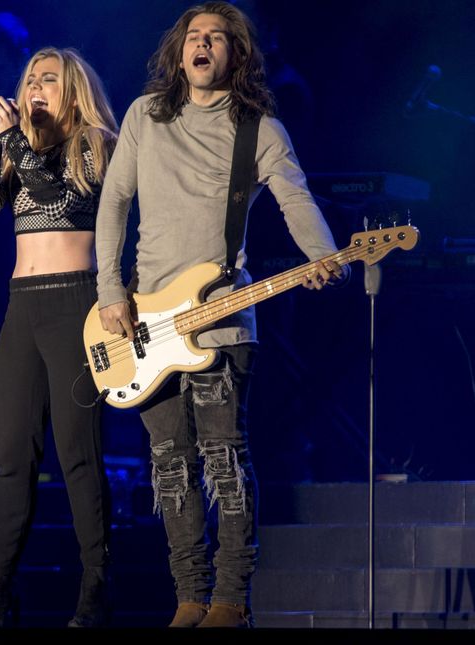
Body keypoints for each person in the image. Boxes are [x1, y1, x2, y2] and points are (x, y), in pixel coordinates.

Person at [94, 2, 348, 628]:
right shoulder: (143, 118)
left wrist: (323, 256)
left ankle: (231, 600)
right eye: (192, 36)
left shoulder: (257, 128)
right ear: (178, 51)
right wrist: (110, 290)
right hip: (145, 325)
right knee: (170, 466)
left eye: (216, 37)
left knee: (224, 458)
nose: (202, 44)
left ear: (236, 53)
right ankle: (188, 597)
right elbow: (113, 204)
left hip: (225, 322)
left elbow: (295, 197)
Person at [0, 47, 118, 627]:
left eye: (47, 79)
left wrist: (13, 143)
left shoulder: (95, 142)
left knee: (78, 452)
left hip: (76, 302)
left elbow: (60, 200)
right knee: (11, 457)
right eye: (29, 78)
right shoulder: (18, 146)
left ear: (72, 88)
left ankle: (95, 588)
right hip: (21, 308)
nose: (33, 87)